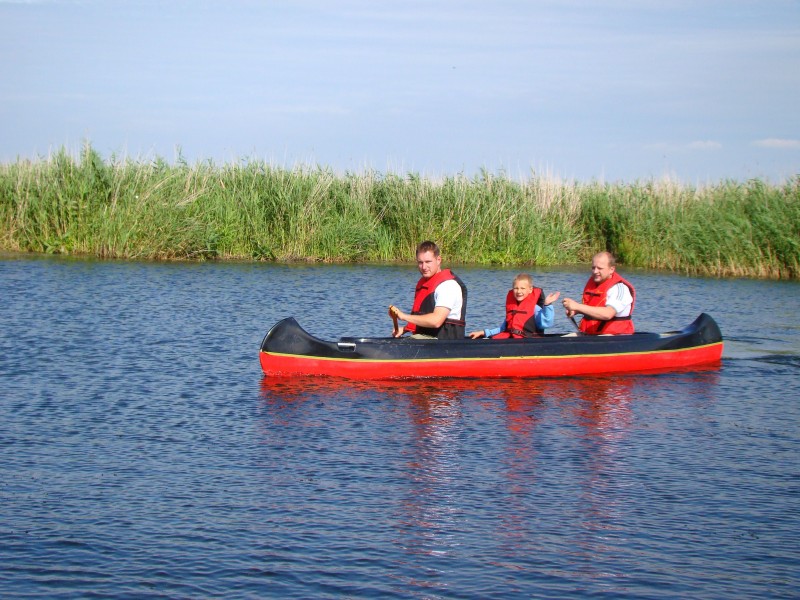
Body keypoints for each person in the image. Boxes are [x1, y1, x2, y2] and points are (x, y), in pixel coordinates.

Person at [389, 241, 467, 339]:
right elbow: (423, 318)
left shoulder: (448, 286)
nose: (424, 267)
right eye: (420, 262)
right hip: (428, 340)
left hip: (446, 342)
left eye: (428, 262)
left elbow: (436, 321)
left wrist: (403, 316)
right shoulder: (425, 284)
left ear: (438, 260)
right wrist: (405, 329)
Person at [562, 251, 635, 334]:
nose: (595, 271)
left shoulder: (619, 289)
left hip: (615, 336)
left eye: (600, 268)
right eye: (593, 268)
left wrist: (578, 306)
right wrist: (576, 311)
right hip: (591, 335)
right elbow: (592, 309)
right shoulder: (593, 285)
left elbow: (608, 314)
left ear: (611, 269)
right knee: (563, 340)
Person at [469, 273, 560, 339]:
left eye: (522, 288)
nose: (519, 291)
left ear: (530, 290)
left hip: (529, 343)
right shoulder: (513, 308)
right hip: (513, 342)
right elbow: (503, 329)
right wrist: (484, 333)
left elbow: (546, 323)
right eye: (516, 288)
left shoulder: (535, 309)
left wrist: (547, 305)